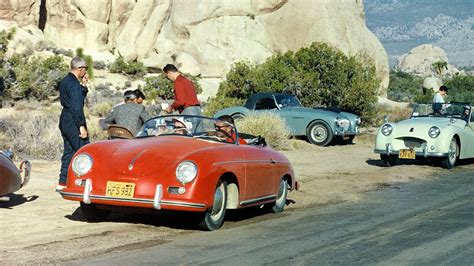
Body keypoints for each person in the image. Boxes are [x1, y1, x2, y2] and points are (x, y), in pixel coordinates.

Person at [57, 57, 90, 191]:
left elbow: (74, 98)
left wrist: (84, 86)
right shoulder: (74, 84)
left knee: (69, 151)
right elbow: (76, 107)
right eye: (85, 69)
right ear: (80, 69)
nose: (86, 71)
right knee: (85, 151)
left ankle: (62, 182)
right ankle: (84, 182)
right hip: (73, 119)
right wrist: (81, 126)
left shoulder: (65, 81)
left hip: (65, 118)